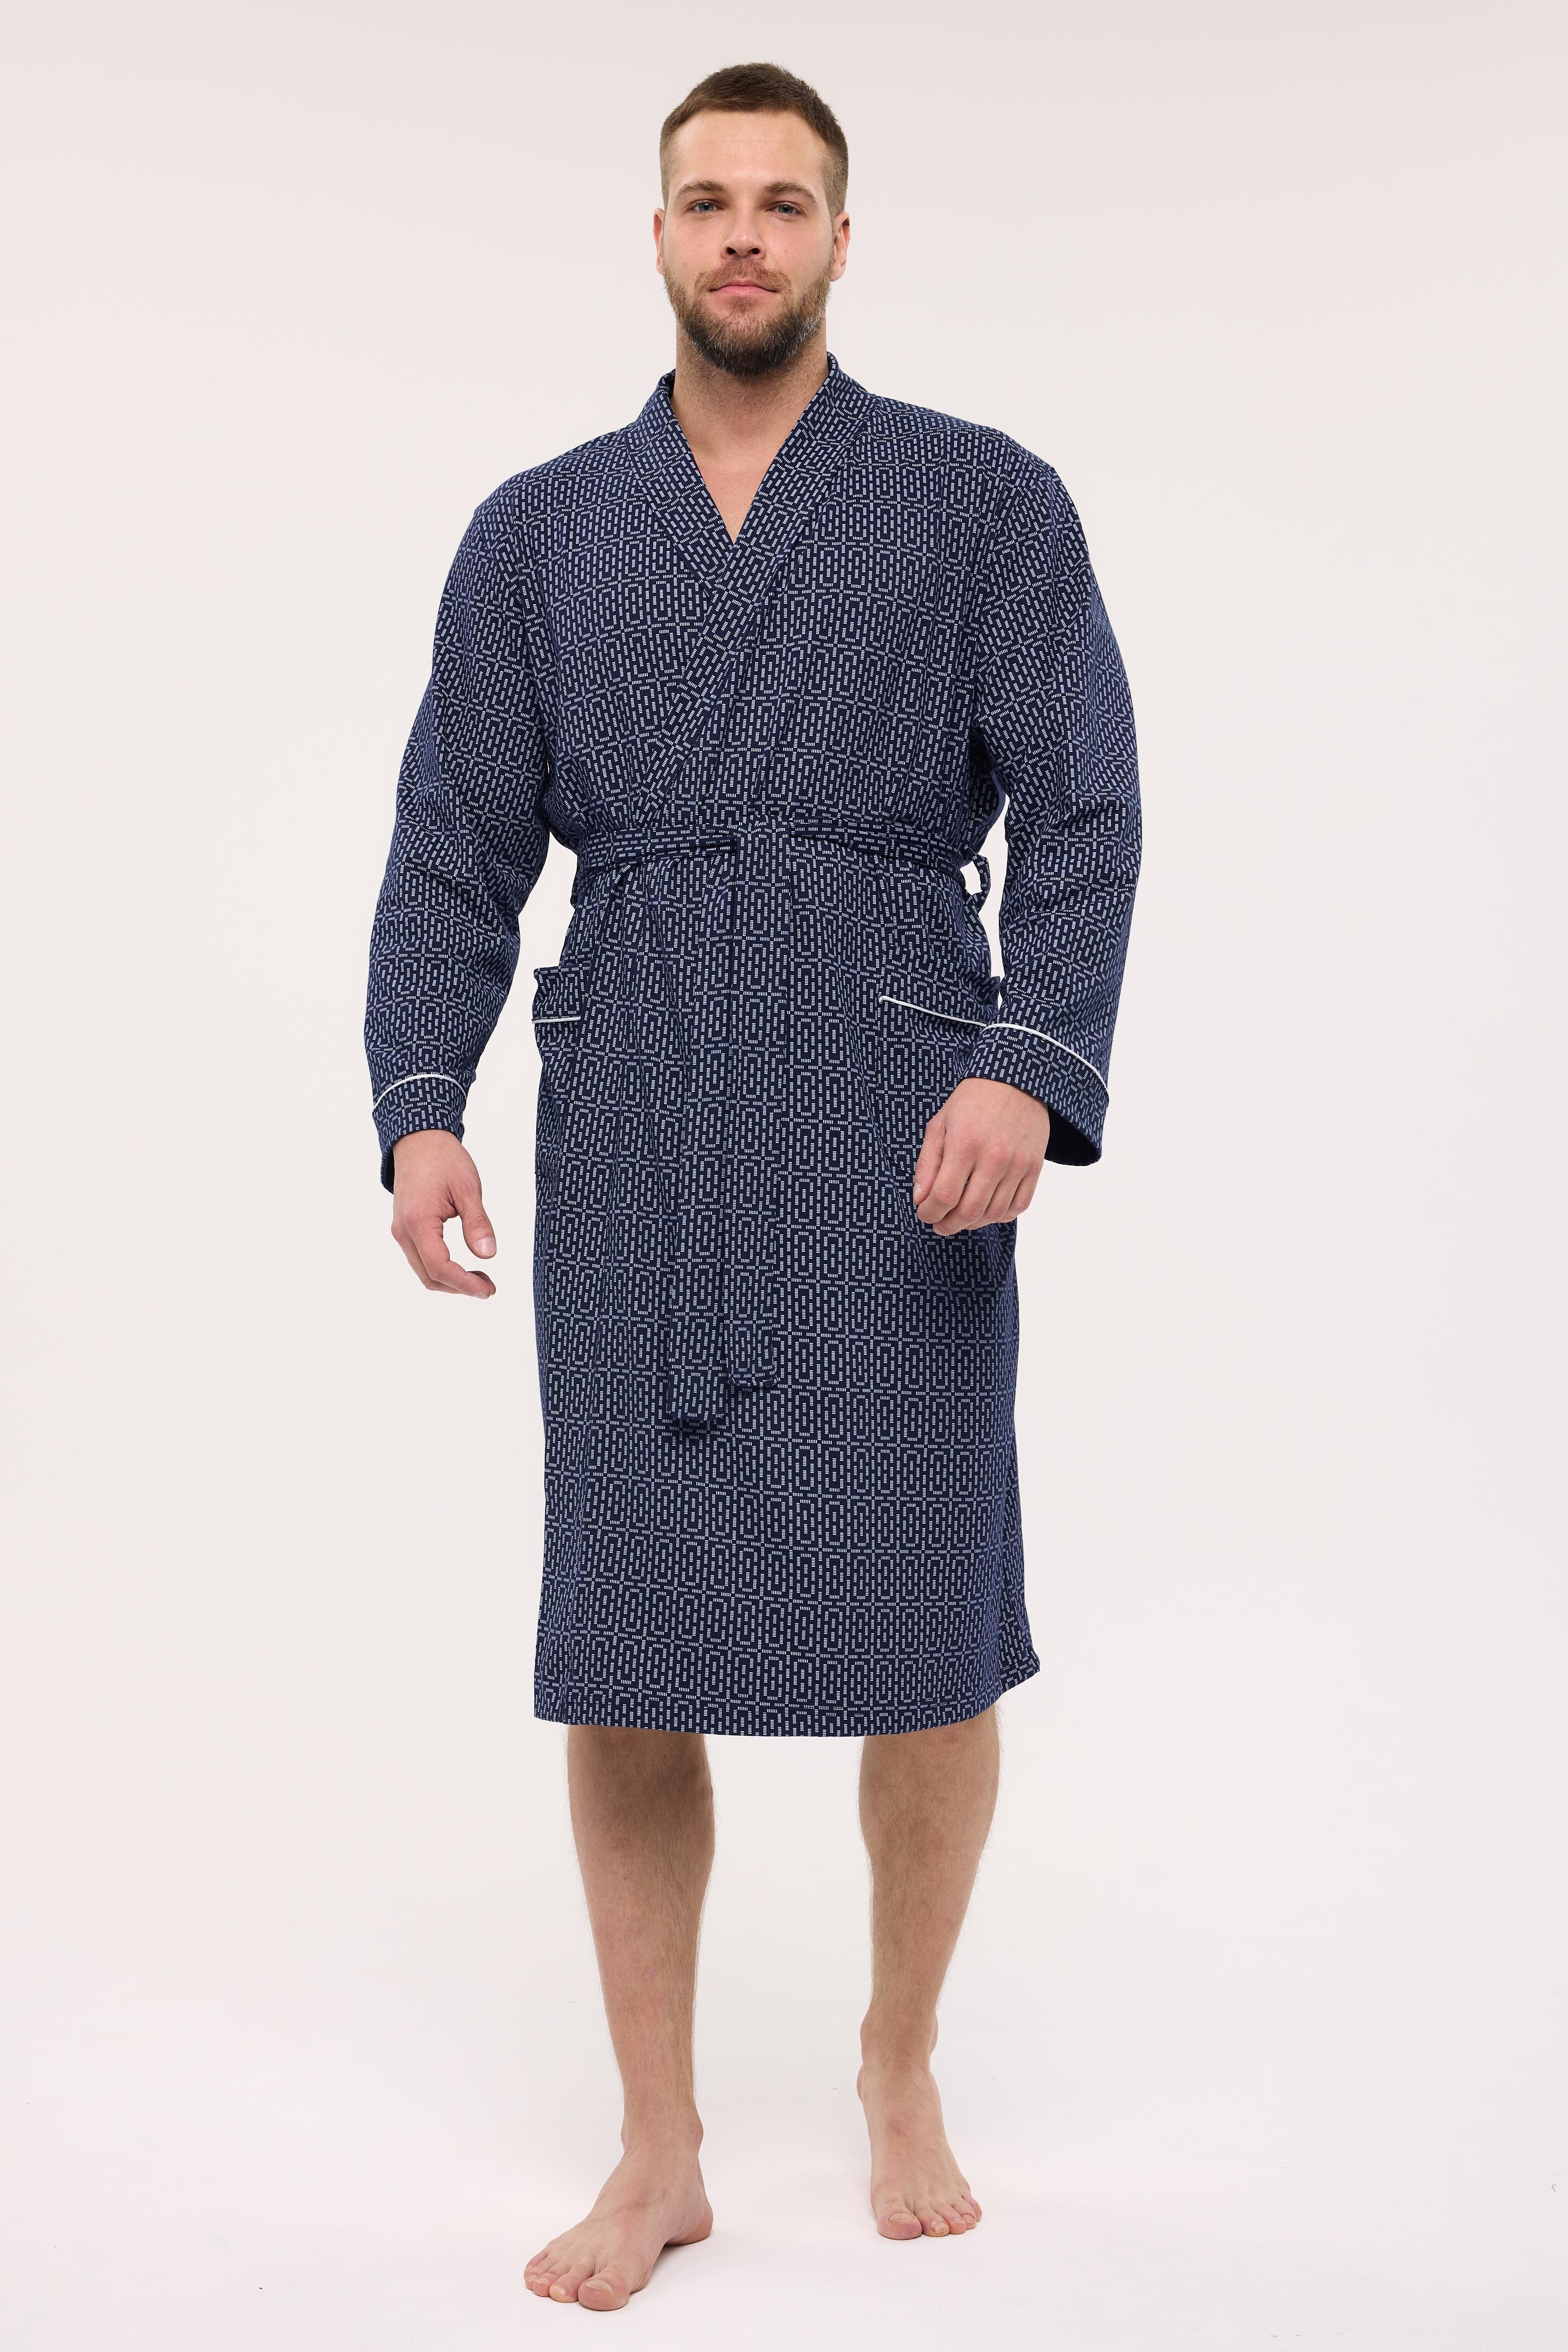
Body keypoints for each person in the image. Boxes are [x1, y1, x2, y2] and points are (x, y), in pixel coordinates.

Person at [364, 59, 1140, 2314]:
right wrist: (423, 1099)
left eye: (781, 203)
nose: (741, 235)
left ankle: (897, 2058)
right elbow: (452, 840)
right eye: (706, 200)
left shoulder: (980, 499)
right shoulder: (538, 531)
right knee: (627, 1647)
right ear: (657, 234)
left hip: (903, 1123)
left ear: (836, 240)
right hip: (640, 1120)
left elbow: (1083, 808)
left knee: (929, 1628)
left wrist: (1028, 1065)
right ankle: (662, 2144)